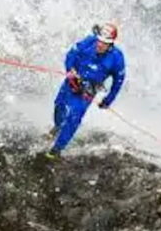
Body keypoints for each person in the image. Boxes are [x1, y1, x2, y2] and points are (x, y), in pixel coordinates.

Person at [47, 22, 126, 157]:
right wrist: (70, 70)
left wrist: (108, 100)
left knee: (74, 116)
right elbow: (71, 54)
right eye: (99, 41)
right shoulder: (88, 41)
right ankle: (57, 127)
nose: (100, 45)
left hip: (88, 89)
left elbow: (118, 81)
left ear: (111, 44)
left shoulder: (117, 58)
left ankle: (57, 149)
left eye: (105, 43)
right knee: (59, 105)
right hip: (72, 80)